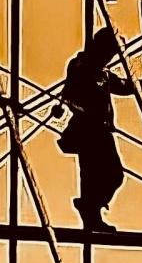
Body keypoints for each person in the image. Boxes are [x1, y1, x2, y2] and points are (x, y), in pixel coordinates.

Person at [57, 29, 137, 229]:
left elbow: (123, 85)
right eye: (109, 52)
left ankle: (91, 209)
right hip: (88, 130)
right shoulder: (81, 66)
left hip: (100, 131)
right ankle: (90, 211)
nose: (110, 57)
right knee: (99, 175)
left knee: (111, 176)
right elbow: (72, 92)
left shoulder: (102, 72)